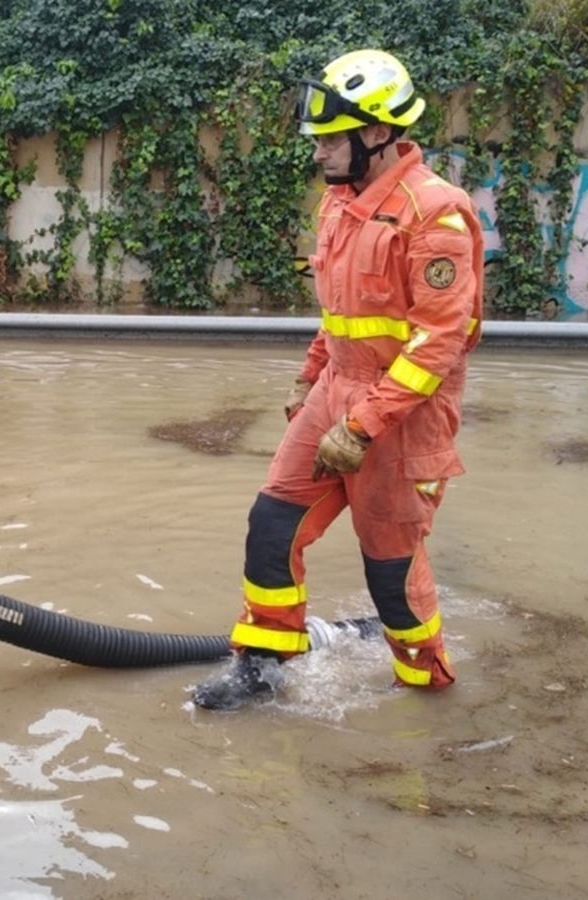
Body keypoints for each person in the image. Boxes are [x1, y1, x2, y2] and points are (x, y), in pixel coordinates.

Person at [192, 49, 486, 710]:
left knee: (390, 571)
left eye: (331, 139)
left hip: (405, 416)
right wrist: (309, 382)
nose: (320, 152)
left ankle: (425, 690)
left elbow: (439, 341)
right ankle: (262, 670)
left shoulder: (435, 214)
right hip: (336, 394)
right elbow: (343, 316)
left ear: (378, 134)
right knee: (271, 527)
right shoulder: (340, 203)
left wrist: (365, 424)